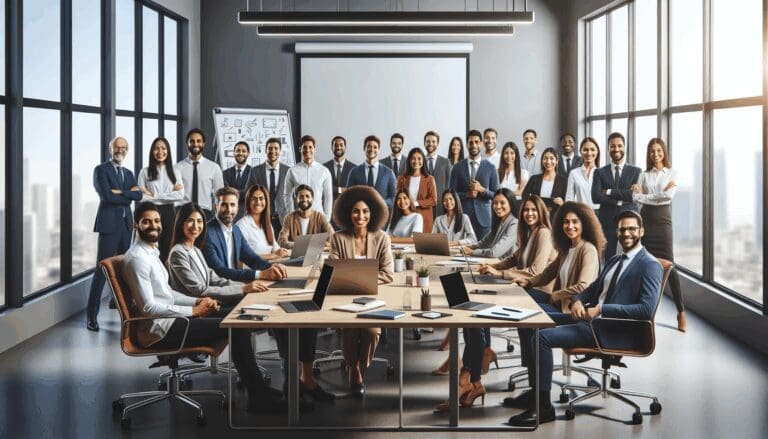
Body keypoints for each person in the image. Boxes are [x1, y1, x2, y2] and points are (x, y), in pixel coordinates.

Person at [123, 202, 287, 414]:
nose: (153, 225)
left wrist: (196, 303)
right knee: (236, 325)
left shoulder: (151, 253)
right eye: (147, 221)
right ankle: (258, 396)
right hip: (162, 330)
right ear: (136, 225)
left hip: (172, 320)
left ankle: (258, 389)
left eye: (156, 220)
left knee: (241, 317)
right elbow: (148, 307)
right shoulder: (138, 259)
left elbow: (168, 294)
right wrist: (194, 311)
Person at [507, 210, 662, 427]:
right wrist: (578, 300)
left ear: (641, 231)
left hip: (613, 331)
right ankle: (535, 393)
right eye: (622, 229)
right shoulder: (617, 259)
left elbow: (646, 310)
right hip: (591, 322)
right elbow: (592, 289)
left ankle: (543, 408)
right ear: (617, 232)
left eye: (631, 229)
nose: (626, 233)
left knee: (542, 338)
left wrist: (602, 309)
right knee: (533, 321)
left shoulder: (650, 265)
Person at [329, 186, 394, 398]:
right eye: (356, 211)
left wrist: (359, 278)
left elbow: (388, 273)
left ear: (372, 213)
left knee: (372, 331)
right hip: (344, 297)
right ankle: (354, 369)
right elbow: (332, 271)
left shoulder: (382, 238)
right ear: (348, 213)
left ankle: (360, 364)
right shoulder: (338, 238)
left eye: (365, 211)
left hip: (373, 297)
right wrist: (357, 277)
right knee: (349, 329)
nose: (361, 216)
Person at [86, 136, 143, 331]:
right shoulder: (101, 170)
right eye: (117, 147)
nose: (121, 150)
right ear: (111, 149)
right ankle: (91, 316)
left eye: (124, 147)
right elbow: (107, 196)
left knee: (124, 270)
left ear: (127, 150)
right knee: (102, 270)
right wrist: (126, 194)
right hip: (109, 226)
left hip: (127, 226)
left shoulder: (128, 173)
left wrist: (121, 193)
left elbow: (139, 195)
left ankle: (124, 312)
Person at [632, 137, 686, 332]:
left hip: (663, 222)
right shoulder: (643, 175)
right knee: (647, 265)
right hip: (646, 220)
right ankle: (649, 313)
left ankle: (680, 313)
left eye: (659, 150)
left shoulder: (673, 173)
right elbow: (635, 198)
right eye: (652, 151)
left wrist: (646, 197)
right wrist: (653, 196)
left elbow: (667, 197)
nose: (655, 154)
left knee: (670, 267)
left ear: (664, 152)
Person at [167, 203, 268, 305]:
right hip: (197, 311)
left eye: (199, 221)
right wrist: (242, 289)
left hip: (211, 305)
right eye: (190, 221)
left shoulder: (196, 250)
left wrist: (247, 285)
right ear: (181, 223)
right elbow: (199, 290)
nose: (195, 226)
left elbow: (216, 280)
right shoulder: (178, 253)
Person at [512, 201, 604, 309]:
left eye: (575, 222)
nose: (570, 226)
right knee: (518, 294)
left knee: (526, 307)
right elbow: (547, 274)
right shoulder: (566, 249)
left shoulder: (588, 250)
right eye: (566, 222)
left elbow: (583, 286)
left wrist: (556, 295)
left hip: (568, 310)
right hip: (557, 302)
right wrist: (528, 282)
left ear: (584, 224)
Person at [203, 187, 288, 283]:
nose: (229, 210)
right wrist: (260, 274)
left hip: (236, 283)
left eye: (232, 205)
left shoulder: (235, 230)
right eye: (224, 205)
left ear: (237, 207)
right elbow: (220, 271)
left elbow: (251, 258)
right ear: (215, 207)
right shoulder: (207, 234)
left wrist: (272, 267)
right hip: (221, 289)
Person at [478, 195, 558, 282]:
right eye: (526, 210)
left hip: (540, 289)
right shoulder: (530, 233)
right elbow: (514, 259)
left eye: (534, 210)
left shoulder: (544, 232)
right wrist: (492, 266)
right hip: (526, 284)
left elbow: (536, 271)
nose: (529, 213)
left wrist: (500, 273)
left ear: (541, 212)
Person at [592, 132, 641, 259]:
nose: (616, 149)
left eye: (619, 146)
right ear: (608, 148)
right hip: (607, 221)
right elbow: (596, 196)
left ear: (624, 147)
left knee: (631, 257)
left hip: (630, 220)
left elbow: (632, 195)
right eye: (612, 146)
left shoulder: (636, 171)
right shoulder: (599, 172)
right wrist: (619, 201)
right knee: (608, 258)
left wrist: (608, 192)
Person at [138, 137, 183, 262]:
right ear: (152, 151)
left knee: (169, 248)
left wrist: (155, 196)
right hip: (151, 213)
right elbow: (141, 197)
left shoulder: (175, 171)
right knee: (151, 248)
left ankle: (168, 279)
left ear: (168, 151)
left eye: (163, 148)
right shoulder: (144, 172)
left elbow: (180, 195)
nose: (160, 151)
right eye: (156, 148)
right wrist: (170, 194)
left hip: (169, 213)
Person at [448, 130, 499, 240]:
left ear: (481, 143)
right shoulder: (457, 168)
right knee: (461, 252)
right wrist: (467, 194)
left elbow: (497, 196)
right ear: (466, 144)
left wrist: (482, 189)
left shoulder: (491, 167)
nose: (474, 145)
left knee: (484, 252)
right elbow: (451, 195)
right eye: (471, 142)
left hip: (484, 220)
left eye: (476, 142)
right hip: (462, 218)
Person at [174, 128, 224, 220]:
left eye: (198, 141)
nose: (195, 144)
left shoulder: (214, 167)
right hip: (182, 213)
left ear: (203, 143)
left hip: (205, 214)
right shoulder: (177, 168)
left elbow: (220, 194)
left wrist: (217, 213)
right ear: (187, 143)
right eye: (192, 141)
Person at [283, 135, 333, 221]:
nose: (307, 150)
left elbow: (328, 197)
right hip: (299, 219)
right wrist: (291, 216)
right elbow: (287, 195)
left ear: (314, 149)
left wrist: (326, 219)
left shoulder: (324, 171)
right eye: (304, 147)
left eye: (310, 147)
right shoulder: (292, 171)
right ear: (300, 149)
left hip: (318, 219)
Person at [346, 134, 397, 216]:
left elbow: (394, 197)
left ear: (379, 149)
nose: (372, 149)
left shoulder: (388, 173)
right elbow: (348, 196)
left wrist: (381, 203)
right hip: (360, 218)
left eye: (375, 147)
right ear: (364, 148)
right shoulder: (354, 172)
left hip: (381, 218)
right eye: (369, 146)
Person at [247, 137, 289, 237]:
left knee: (282, 249)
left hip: (282, 219)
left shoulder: (288, 171)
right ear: (265, 150)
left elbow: (292, 195)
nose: (273, 151)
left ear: (280, 151)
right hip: (262, 217)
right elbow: (249, 195)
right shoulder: (255, 171)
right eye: (270, 148)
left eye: (276, 148)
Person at [235, 184, 289, 261]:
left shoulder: (268, 225)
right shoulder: (241, 225)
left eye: (261, 198)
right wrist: (273, 256)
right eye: (254, 199)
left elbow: (274, 247)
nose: (258, 202)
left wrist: (280, 251)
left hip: (269, 267)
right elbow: (243, 255)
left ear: (266, 202)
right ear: (248, 202)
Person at [463, 188, 518, 260]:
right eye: (495, 202)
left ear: (511, 203)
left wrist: (472, 252)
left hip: (508, 268)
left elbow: (494, 252)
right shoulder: (499, 221)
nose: (498, 206)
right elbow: (483, 243)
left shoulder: (515, 224)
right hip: (497, 263)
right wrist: (466, 248)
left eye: (502, 203)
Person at [278, 184, 334, 249]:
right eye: (301, 197)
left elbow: (332, 238)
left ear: (312, 199)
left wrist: (300, 245)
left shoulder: (320, 217)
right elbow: (281, 242)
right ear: (296, 199)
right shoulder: (289, 218)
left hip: (315, 257)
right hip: (295, 258)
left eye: (307, 196)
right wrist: (311, 244)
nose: (304, 199)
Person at [396, 147, 437, 232]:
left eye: (419, 158)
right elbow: (397, 199)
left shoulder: (429, 179)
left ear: (423, 161)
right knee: (406, 243)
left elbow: (433, 200)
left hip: (424, 218)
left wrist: (416, 203)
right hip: (406, 218)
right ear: (409, 161)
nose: (416, 161)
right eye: (413, 158)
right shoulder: (401, 179)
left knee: (423, 244)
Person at [522, 147, 567, 217]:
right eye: (545, 158)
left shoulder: (563, 181)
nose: (548, 161)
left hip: (555, 218)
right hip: (536, 216)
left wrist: (562, 203)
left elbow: (567, 203)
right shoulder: (534, 179)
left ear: (557, 161)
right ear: (542, 160)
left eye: (552, 158)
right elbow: (524, 195)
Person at [323, 135, 356, 227]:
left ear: (345, 147)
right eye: (336, 145)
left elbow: (354, 189)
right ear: (332, 147)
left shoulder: (354, 168)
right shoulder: (323, 168)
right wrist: (340, 190)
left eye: (341, 145)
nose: (338, 147)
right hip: (329, 213)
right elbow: (322, 188)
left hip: (348, 213)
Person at [565, 137, 601, 211]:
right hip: (581, 214)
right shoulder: (574, 173)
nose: (589, 153)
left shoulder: (603, 173)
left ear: (597, 151)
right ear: (580, 151)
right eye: (585, 150)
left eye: (592, 149)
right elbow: (569, 199)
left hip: (601, 214)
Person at [222, 141, 253, 221]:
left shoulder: (254, 172)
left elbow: (249, 194)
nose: (240, 153)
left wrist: (232, 192)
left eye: (243, 151)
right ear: (234, 153)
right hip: (229, 214)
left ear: (248, 153)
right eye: (238, 150)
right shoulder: (225, 173)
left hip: (248, 215)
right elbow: (226, 193)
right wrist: (243, 192)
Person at [424, 131, 452, 217]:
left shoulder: (445, 162)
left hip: (441, 205)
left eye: (433, 141)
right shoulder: (420, 161)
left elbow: (449, 185)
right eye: (428, 141)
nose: (430, 144)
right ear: (424, 143)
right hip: (424, 204)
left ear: (437, 143)